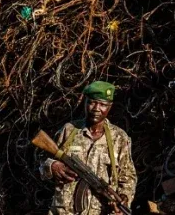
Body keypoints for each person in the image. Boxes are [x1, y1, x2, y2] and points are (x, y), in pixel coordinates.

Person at [39, 80, 137, 215]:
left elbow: (128, 176)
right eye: (92, 102)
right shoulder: (69, 131)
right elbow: (42, 160)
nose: (96, 108)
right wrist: (52, 166)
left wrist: (124, 199)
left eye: (103, 104)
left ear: (110, 107)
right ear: (85, 102)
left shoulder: (119, 138)